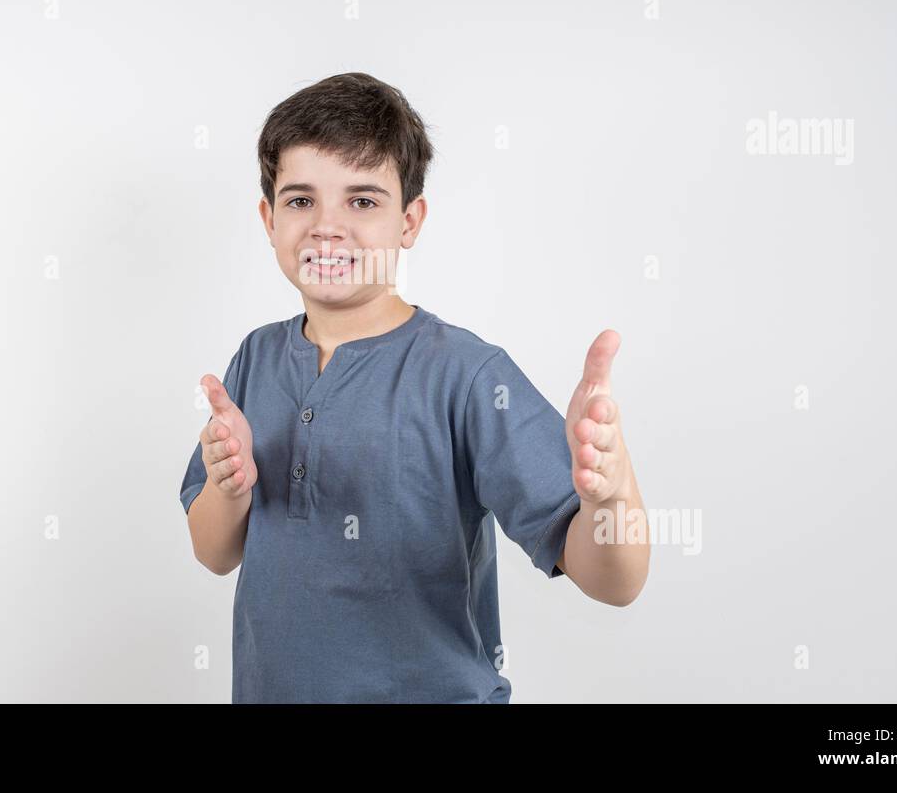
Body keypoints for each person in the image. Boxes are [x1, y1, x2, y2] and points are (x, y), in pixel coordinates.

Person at [179, 72, 649, 703]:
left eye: (363, 201)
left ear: (410, 220)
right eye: (300, 201)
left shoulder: (467, 375)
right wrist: (227, 487)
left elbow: (614, 582)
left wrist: (611, 498)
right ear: (268, 218)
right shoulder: (255, 360)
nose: (327, 227)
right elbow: (215, 552)